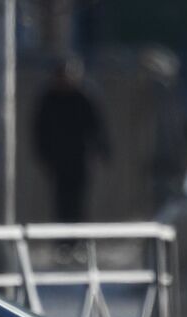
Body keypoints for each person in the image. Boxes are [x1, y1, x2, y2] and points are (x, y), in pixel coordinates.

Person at [32, 58, 110, 223]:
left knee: (79, 198)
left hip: (79, 157)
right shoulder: (49, 99)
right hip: (58, 158)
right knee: (61, 199)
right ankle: (63, 232)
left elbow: (96, 126)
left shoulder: (83, 97)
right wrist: (44, 155)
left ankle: (78, 230)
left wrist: (103, 149)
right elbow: (40, 130)